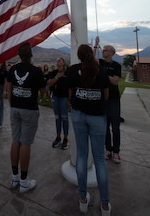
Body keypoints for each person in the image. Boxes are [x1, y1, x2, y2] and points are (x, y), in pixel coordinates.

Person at [67, 44, 111, 216]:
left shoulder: (72, 71)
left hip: (78, 116)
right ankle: (105, 205)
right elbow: (106, 95)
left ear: (79, 56)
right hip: (97, 117)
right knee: (99, 159)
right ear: (91, 54)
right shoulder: (100, 71)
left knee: (82, 157)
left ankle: (83, 199)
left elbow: (71, 93)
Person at [7, 42, 47, 193]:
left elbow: (9, 88)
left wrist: (12, 102)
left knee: (15, 140)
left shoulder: (13, 69)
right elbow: (44, 91)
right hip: (29, 109)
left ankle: (14, 177)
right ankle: (24, 181)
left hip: (15, 108)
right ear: (30, 55)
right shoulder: (36, 71)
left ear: (19, 55)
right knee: (25, 143)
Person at [94, 37, 122, 164]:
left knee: (115, 127)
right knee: (105, 127)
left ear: (112, 52)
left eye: (106, 50)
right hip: (103, 99)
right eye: (103, 50)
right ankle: (108, 150)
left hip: (114, 100)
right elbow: (92, 59)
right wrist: (96, 45)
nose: (103, 51)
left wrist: (105, 75)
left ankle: (116, 152)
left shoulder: (116, 65)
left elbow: (116, 81)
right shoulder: (100, 62)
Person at [47, 57, 69, 149]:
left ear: (64, 62)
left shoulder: (68, 73)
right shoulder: (54, 73)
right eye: (57, 60)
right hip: (56, 97)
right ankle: (58, 136)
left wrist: (70, 99)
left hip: (64, 98)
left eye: (60, 60)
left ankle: (66, 138)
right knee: (57, 118)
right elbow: (49, 83)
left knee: (64, 118)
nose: (58, 61)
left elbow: (71, 86)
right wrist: (57, 77)